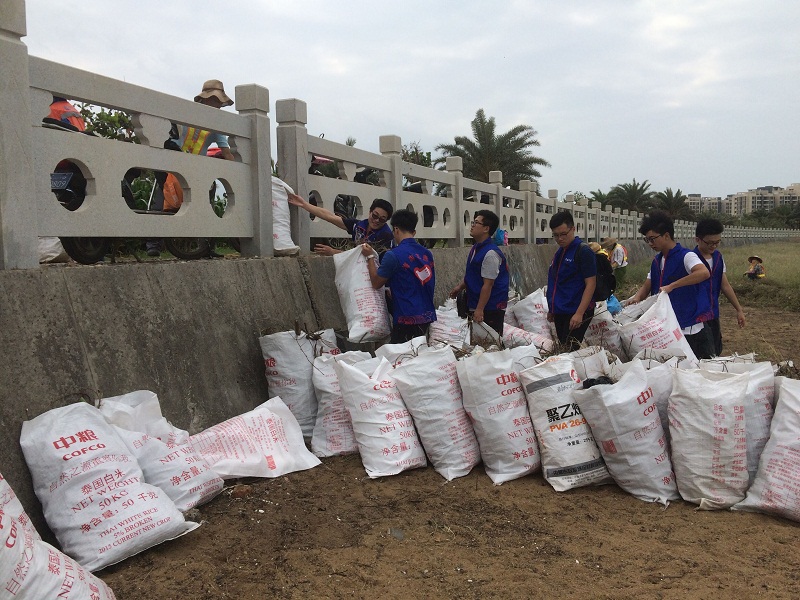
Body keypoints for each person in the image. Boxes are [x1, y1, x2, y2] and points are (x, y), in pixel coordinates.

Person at [631, 210, 714, 359]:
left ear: (666, 235)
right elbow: (647, 285)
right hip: (666, 328)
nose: (650, 244)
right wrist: (636, 299)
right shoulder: (657, 261)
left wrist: (672, 286)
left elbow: (703, 273)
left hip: (688, 327)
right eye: (647, 240)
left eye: (652, 239)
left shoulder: (686, 256)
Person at [360, 209, 436, 343]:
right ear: (414, 232)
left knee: (400, 353)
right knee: (419, 351)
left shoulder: (393, 255)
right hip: (426, 316)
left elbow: (376, 283)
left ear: (396, 229)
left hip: (406, 318)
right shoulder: (427, 254)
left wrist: (370, 257)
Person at [449, 210, 509, 336]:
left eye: (476, 223)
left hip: (490, 308)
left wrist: (480, 309)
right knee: (477, 343)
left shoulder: (490, 254)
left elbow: (488, 284)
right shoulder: (476, 248)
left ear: (486, 228)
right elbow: (473, 274)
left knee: (491, 342)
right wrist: (459, 287)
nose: (472, 225)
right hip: (476, 303)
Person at [693, 219, 746, 356]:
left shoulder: (718, 258)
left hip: (713, 312)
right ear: (697, 240)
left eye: (717, 242)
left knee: (716, 349)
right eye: (710, 243)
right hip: (696, 316)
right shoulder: (690, 259)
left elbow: (725, 285)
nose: (714, 246)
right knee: (704, 353)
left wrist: (739, 310)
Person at [546, 211, 597, 350]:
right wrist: (552, 308)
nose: (560, 239)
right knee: (564, 348)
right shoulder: (560, 252)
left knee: (569, 350)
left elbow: (591, 284)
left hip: (575, 310)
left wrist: (579, 313)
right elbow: (556, 282)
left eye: (563, 234)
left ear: (573, 229)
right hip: (560, 310)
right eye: (556, 235)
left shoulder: (583, 251)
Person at [288, 194, 394, 256]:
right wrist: (304, 204)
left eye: (382, 219)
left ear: (386, 221)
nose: (376, 221)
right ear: (370, 211)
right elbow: (330, 217)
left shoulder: (385, 235)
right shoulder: (359, 226)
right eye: (375, 216)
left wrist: (333, 252)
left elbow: (362, 257)